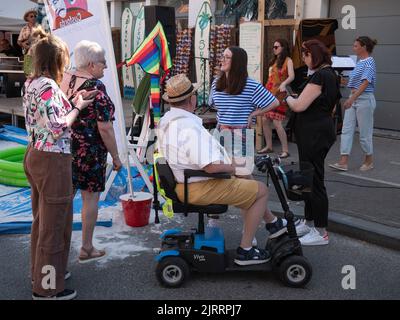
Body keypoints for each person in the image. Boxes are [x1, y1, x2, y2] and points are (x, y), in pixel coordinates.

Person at [158, 74, 301, 266]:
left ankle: (273, 223)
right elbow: (210, 166)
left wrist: (231, 164)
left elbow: (198, 158)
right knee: (261, 191)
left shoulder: (170, 121)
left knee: (245, 179)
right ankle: (246, 250)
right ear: (192, 99)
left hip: (188, 182)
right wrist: (233, 166)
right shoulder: (187, 128)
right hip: (198, 187)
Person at [23, 33, 94, 300]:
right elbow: (57, 127)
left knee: (44, 221)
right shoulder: (49, 87)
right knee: (53, 227)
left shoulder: (32, 83)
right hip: (52, 159)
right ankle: (47, 288)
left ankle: (41, 273)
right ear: (57, 60)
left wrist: (71, 102)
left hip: (36, 154)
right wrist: (77, 106)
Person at [60, 40, 122, 263]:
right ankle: (86, 247)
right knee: (90, 200)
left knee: (64, 199)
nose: (105, 66)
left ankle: (58, 249)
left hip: (64, 148)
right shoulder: (95, 88)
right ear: (91, 64)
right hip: (89, 152)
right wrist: (116, 157)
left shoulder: (65, 79)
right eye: (103, 62)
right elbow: (105, 127)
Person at [284, 39, 340, 246]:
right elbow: (327, 104)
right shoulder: (330, 74)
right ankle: (309, 222)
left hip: (314, 135)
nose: (304, 58)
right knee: (308, 177)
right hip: (316, 132)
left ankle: (321, 231)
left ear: (313, 55)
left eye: (306, 55)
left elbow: (298, 106)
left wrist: (287, 96)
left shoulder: (320, 75)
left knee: (315, 180)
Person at [209, 46, 279, 160]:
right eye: (223, 56)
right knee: (223, 172)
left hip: (240, 134)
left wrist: (253, 114)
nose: (222, 60)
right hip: (220, 131)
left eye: (227, 57)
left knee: (242, 172)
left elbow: (274, 102)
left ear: (237, 62)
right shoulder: (216, 83)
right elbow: (215, 105)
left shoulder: (251, 85)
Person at [329, 36, 378, 172]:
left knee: (364, 133)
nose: (353, 48)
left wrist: (351, 99)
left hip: (364, 100)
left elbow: (365, 82)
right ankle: (343, 162)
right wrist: (339, 80)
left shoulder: (369, 62)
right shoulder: (360, 62)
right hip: (354, 98)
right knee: (346, 130)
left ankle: (369, 160)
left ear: (364, 47)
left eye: (356, 46)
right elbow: (354, 82)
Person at [259, 39, 294, 158]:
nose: (274, 49)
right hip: (269, 93)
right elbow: (270, 78)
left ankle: (285, 150)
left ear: (283, 47)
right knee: (265, 120)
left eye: (276, 47)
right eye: (273, 47)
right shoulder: (274, 61)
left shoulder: (288, 60)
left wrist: (284, 84)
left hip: (279, 94)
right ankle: (269, 146)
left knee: (277, 122)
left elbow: (292, 76)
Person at [18, 9, 38, 75]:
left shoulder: (39, 28)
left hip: (38, 52)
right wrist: (23, 44)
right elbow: (18, 41)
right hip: (28, 52)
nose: (34, 17)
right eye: (31, 16)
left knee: (37, 72)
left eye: (35, 16)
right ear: (27, 18)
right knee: (28, 72)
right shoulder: (24, 29)